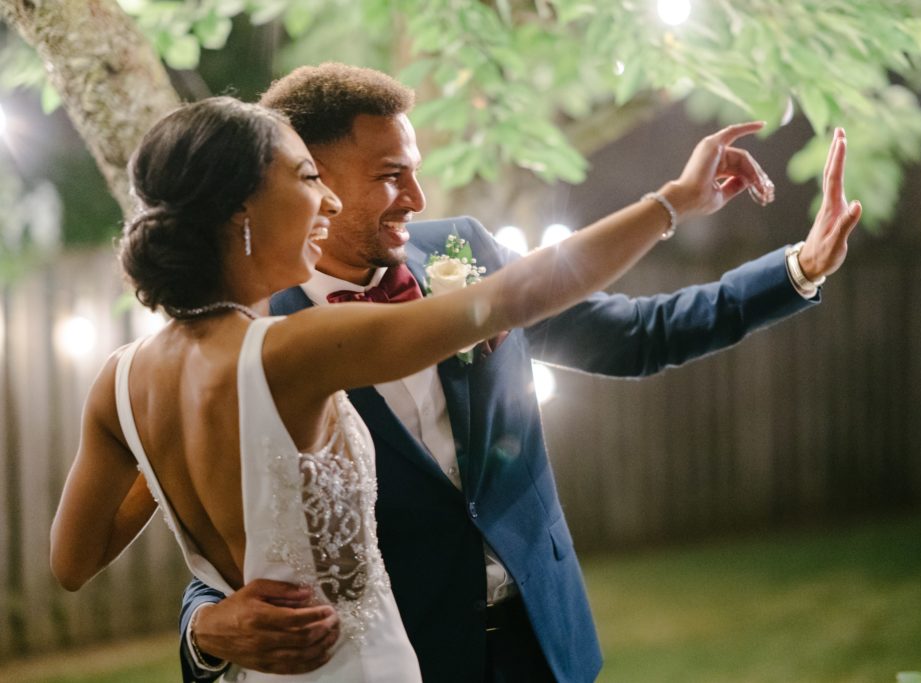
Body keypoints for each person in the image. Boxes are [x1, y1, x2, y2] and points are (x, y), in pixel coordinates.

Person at [46, 92, 845, 681]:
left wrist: (797, 270)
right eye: (306, 179)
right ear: (244, 210)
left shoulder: (121, 378)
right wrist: (671, 203)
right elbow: (513, 298)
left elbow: (74, 561)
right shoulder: (297, 346)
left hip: (537, 641)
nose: (322, 201)